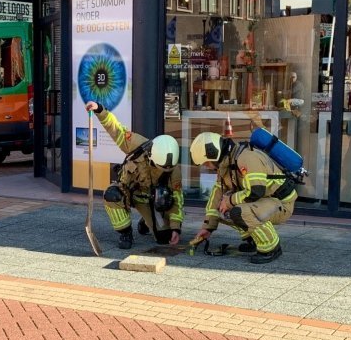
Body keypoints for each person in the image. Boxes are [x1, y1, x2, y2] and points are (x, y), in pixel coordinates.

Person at [85, 101, 184, 249]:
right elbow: (116, 129)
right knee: (112, 195)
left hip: (152, 199)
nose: (165, 170)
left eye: (168, 168)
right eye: (161, 167)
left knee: (164, 237)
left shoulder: (173, 170)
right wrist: (99, 110)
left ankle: (146, 221)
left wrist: (176, 228)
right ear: (152, 155)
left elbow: (177, 199)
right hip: (129, 193)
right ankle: (125, 232)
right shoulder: (137, 145)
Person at [189, 131, 298, 264]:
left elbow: (255, 191)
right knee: (222, 211)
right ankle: (255, 239)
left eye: (206, 163)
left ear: (213, 155)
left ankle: (271, 247)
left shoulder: (247, 158)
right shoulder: (226, 165)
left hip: (281, 203)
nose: (207, 167)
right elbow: (217, 194)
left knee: (238, 211)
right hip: (264, 201)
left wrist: (229, 201)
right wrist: (208, 227)